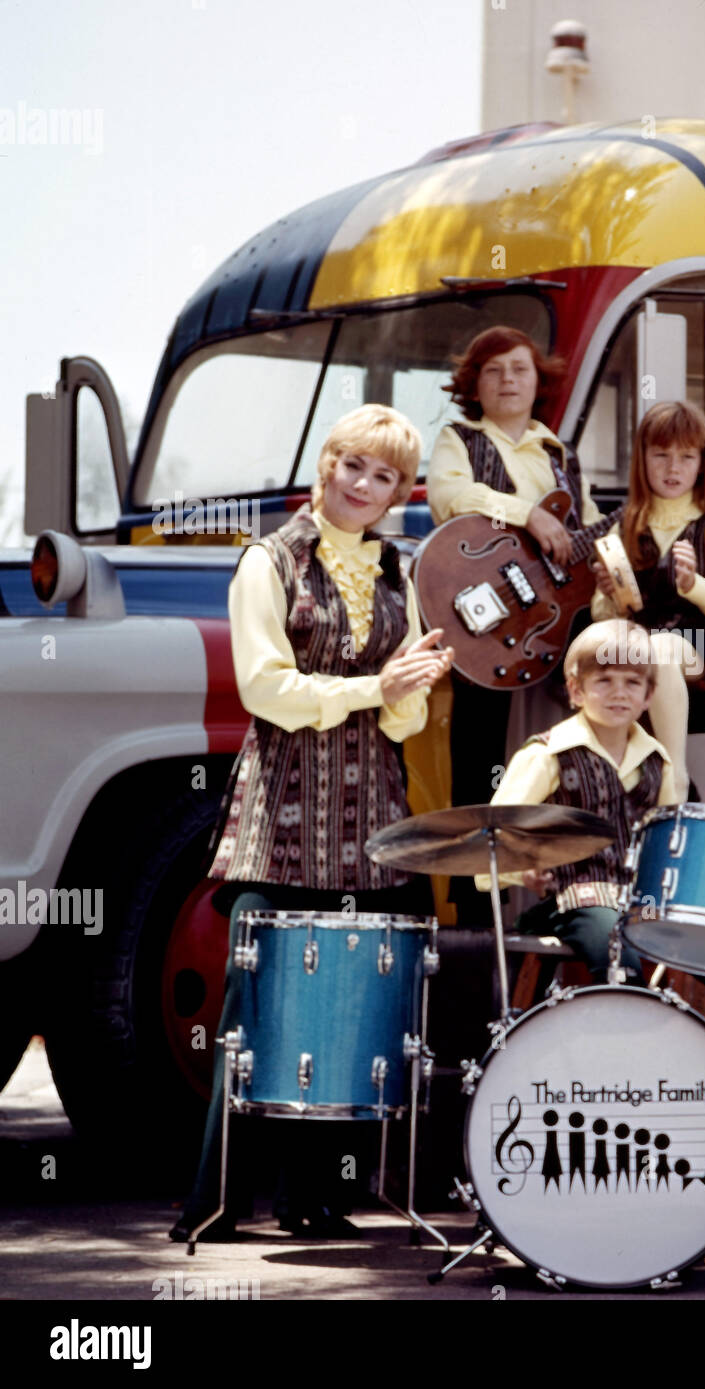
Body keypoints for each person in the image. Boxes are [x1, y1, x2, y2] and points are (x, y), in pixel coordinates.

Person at [170, 405, 453, 1243]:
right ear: (327, 464)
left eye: (387, 477)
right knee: (254, 1014)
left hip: (373, 814)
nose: (366, 487)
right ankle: (216, 1200)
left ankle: (317, 1198)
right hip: (284, 809)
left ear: (402, 489)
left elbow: (404, 723)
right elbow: (264, 688)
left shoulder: (401, 570)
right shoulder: (270, 559)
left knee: (352, 1010)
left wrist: (413, 691)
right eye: (355, 467)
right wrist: (378, 687)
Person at [427, 327, 616, 900]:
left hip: (547, 626)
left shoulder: (560, 455)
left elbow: (579, 539)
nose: (508, 380)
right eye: (493, 371)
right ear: (473, 387)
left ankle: (564, 893)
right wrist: (527, 514)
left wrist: (603, 565)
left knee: (569, 742)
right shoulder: (459, 438)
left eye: (520, 369)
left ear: (540, 383)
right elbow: (449, 496)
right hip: (482, 614)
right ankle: (472, 907)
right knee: (478, 750)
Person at [480, 619, 681, 984]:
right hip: (571, 901)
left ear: (649, 695)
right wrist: (522, 871)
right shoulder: (547, 754)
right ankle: (624, 1029)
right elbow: (492, 839)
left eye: (632, 682)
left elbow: (666, 846)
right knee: (618, 951)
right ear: (575, 691)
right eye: (603, 680)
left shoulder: (657, 761)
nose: (619, 693)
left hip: (639, 906)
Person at [591, 400, 705, 801]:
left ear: (703, 463)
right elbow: (601, 614)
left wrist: (694, 584)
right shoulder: (625, 525)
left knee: (662, 649)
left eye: (686, 457)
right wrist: (613, 596)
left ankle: (674, 779)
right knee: (609, 651)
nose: (672, 468)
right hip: (637, 646)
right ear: (643, 460)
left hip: (703, 641)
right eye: (661, 455)